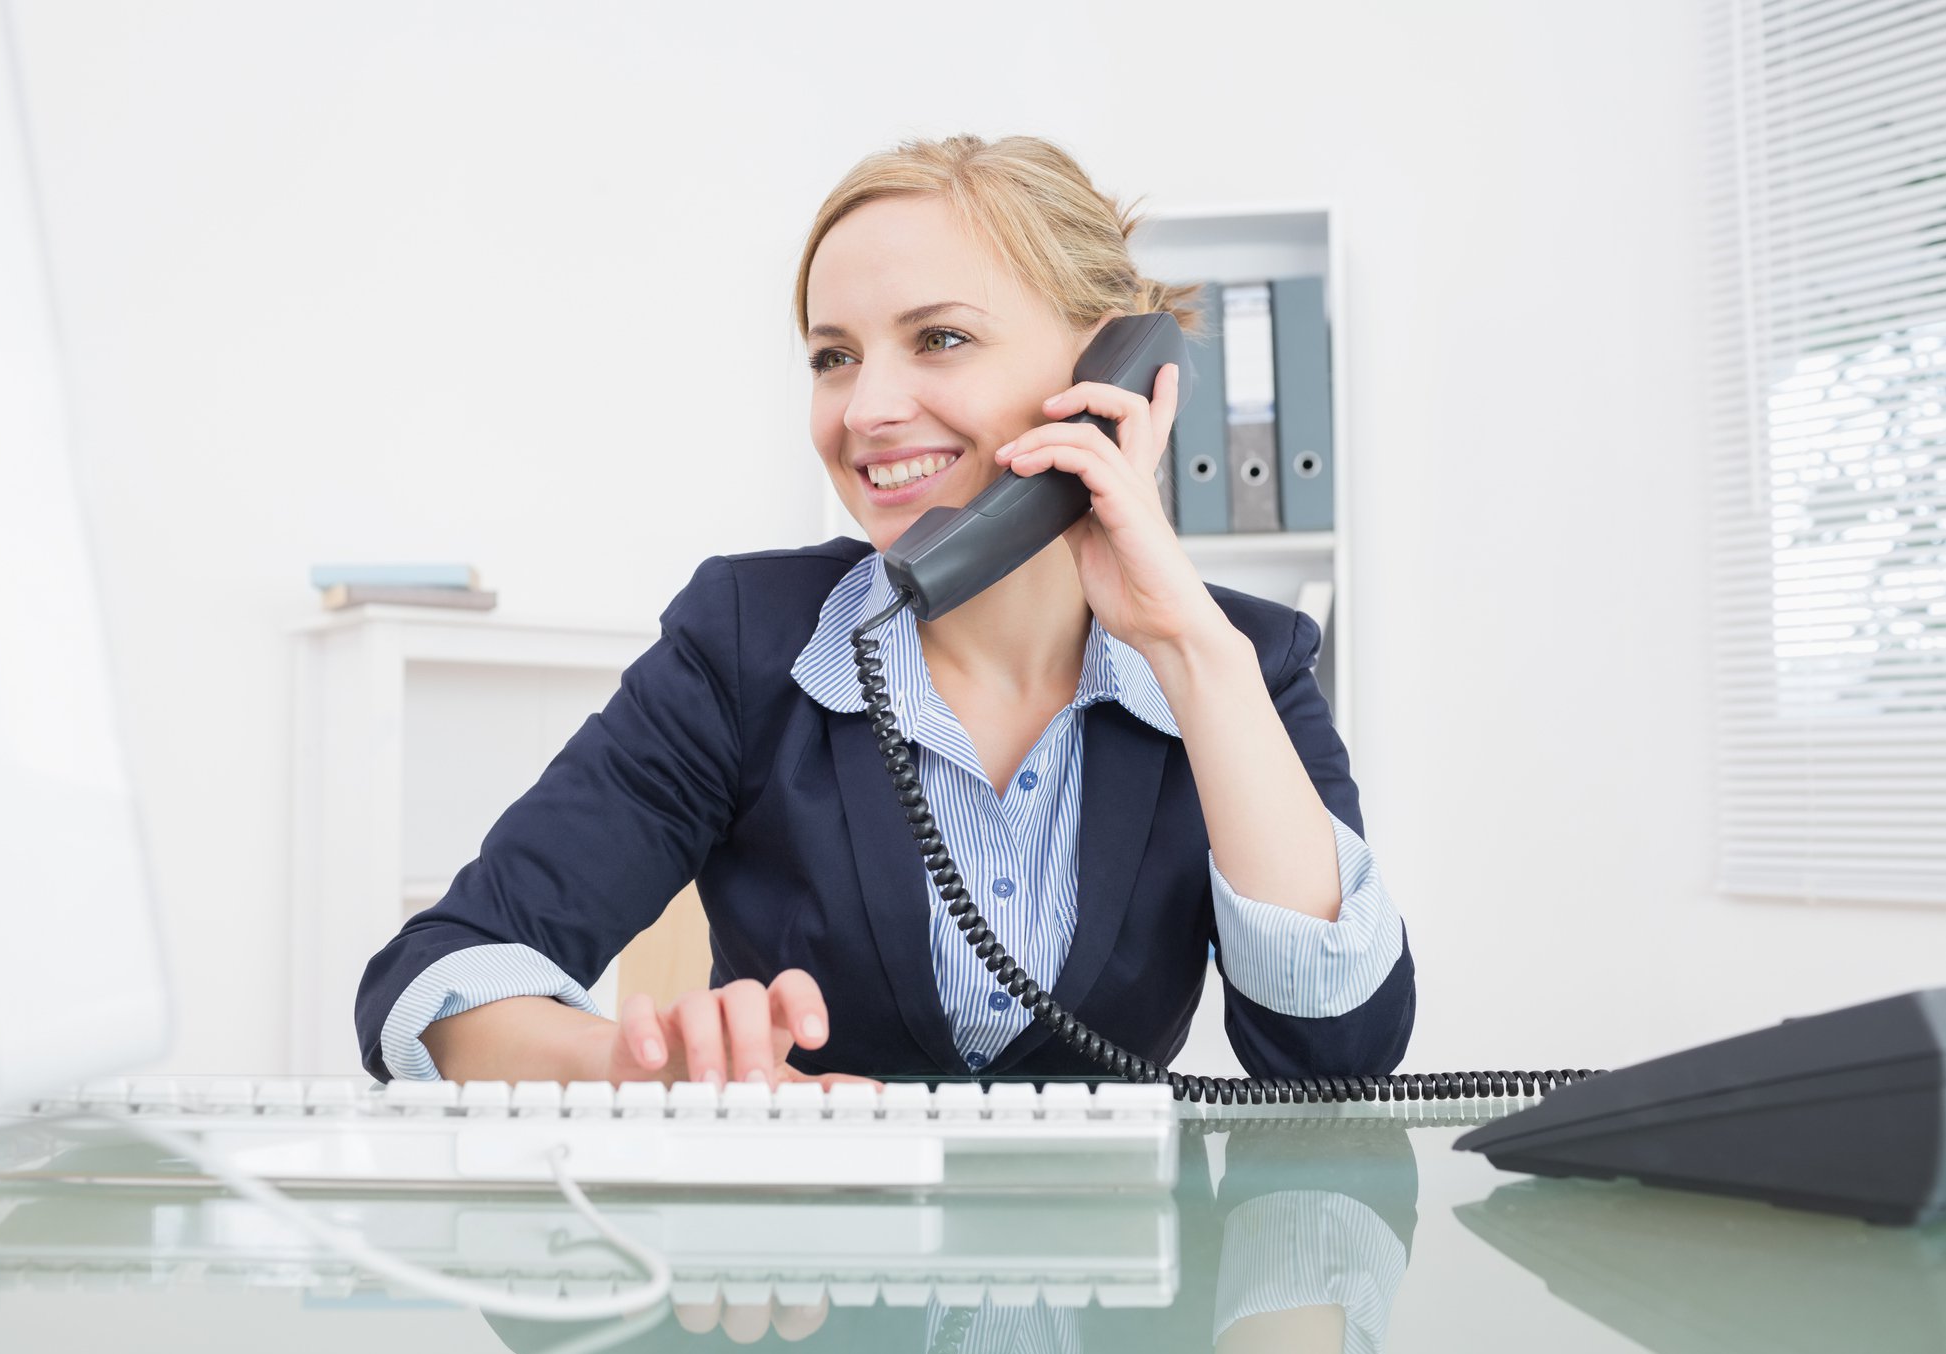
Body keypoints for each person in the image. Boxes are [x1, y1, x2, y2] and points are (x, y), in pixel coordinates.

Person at [354, 134, 1415, 1089]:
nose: (864, 412)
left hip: (1122, 1288)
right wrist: (638, 1074)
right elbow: (440, 979)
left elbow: (1339, 1058)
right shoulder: (746, 642)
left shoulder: (1245, 663)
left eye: (941, 338)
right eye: (834, 357)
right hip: (816, 1289)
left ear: (1109, 372)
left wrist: (1189, 649)